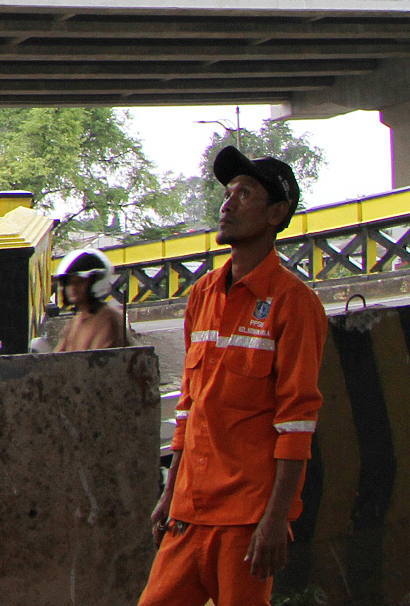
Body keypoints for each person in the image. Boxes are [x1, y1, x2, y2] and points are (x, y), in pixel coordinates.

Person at [140, 146, 325, 606]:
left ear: (276, 214)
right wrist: (170, 493)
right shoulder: (202, 294)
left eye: (244, 194)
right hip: (189, 511)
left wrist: (276, 519)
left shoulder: (294, 303)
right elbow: (189, 406)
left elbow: (297, 421)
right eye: (227, 193)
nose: (227, 204)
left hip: (246, 519)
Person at [53, 248, 135, 351]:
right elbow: (58, 356)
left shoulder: (107, 319)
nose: (73, 287)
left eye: (79, 281)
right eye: (69, 283)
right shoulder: (75, 322)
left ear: (95, 282)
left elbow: (98, 359)